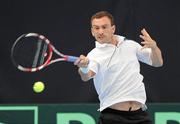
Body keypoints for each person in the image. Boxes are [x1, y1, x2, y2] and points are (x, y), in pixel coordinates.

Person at [74, 11, 163, 124]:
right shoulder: (94, 55)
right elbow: (86, 76)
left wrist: (154, 47)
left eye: (104, 27)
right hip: (113, 117)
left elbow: (158, 62)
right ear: (92, 31)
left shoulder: (130, 45)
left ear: (113, 29)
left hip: (140, 115)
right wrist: (84, 67)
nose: (100, 31)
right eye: (96, 28)